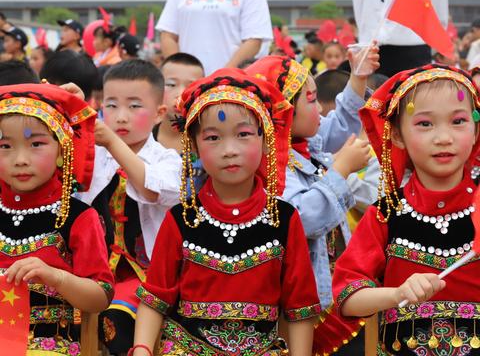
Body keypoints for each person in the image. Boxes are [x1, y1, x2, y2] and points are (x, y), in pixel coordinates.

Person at [131, 68, 321, 356]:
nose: (229, 150)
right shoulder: (181, 218)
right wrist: (143, 349)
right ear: (193, 145)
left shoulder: (284, 218)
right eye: (213, 138)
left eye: (243, 134)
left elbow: (299, 306)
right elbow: (156, 296)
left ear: (266, 139)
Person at [333, 64, 480, 354]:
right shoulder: (385, 213)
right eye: (425, 124)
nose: (443, 137)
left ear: (477, 131)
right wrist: (397, 294)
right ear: (397, 135)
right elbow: (347, 298)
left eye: (459, 121)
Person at [245, 54, 376, 354]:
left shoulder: (300, 145)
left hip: (327, 291)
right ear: (284, 110)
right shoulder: (270, 163)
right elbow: (302, 219)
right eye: (311, 100)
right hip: (299, 302)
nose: (319, 109)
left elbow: (339, 126)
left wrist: (357, 77)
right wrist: (340, 170)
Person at [76, 59, 181, 354]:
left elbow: (150, 188)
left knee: (119, 319)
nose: (121, 116)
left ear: (160, 113)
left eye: (134, 106)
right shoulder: (91, 154)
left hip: (146, 274)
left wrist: (110, 142)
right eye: (111, 105)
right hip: (89, 267)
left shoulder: (168, 160)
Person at [0, 83, 114, 354]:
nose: (20, 159)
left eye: (36, 143)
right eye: (5, 146)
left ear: (63, 150)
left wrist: (56, 277)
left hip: (47, 345)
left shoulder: (78, 216)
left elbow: (100, 297)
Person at [155, 52, 205, 154]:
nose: (181, 94)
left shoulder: (209, 141)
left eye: (190, 87)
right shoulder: (141, 138)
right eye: (171, 84)